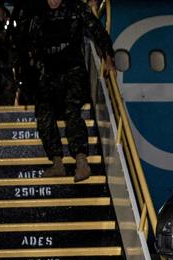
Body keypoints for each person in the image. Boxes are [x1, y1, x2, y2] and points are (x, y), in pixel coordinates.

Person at [23, 0, 116, 182]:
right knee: (44, 112)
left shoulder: (75, 7)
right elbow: (25, 42)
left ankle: (81, 161)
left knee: (72, 110)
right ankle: (57, 162)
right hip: (48, 72)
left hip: (73, 70)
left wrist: (108, 58)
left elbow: (98, 31)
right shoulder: (35, 11)